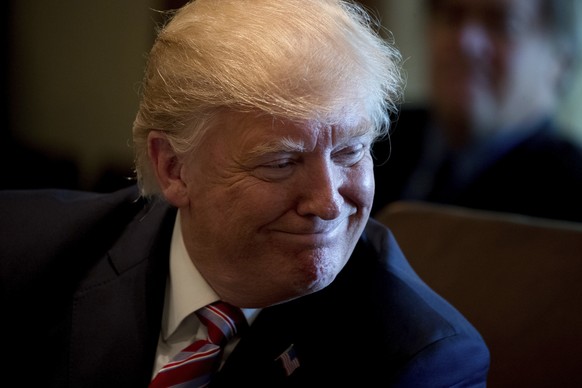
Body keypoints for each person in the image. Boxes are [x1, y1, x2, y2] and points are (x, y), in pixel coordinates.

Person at [0, 0, 489, 386]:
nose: (327, 202)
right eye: (280, 162)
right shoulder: (22, 251)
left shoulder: (419, 359)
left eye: (349, 152)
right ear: (173, 167)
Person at [372, 0, 582, 222]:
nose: (465, 41)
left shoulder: (571, 197)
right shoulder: (366, 139)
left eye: (501, 25)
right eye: (451, 16)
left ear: (561, 64)